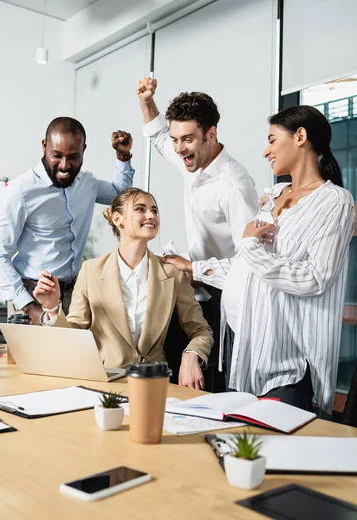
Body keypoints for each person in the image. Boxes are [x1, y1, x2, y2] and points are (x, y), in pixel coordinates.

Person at [165, 105, 355, 413]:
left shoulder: (334, 201)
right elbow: (248, 269)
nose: (266, 152)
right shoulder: (274, 193)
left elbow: (314, 278)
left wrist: (249, 245)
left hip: (287, 365)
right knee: (239, 453)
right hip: (243, 355)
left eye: (271, 140)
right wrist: (193, 268)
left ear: (300, 137)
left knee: (278, 457)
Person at [137, 77, 258, 390]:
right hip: (199, 295)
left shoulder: (234, 186)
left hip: (229, 303)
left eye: (187, 139)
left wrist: (191, 266)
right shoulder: (192, 161)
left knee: (216, 389)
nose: (179, 148)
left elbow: (252, 265)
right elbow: (159, 137)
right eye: (177, 139)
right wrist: (147, 101)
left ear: (211, 134)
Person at [33, 187, 213, 389]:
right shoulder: (91, 271)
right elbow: (74, 336)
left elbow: (201, 330)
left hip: (155, 384)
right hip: (104, 384)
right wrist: (51, 307)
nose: (151, 215)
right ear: (118, 219)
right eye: (140, 209)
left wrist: (191, 355)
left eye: (154, 210)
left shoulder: (172, 273)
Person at [0, 117, 135, 325]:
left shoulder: (87, 183)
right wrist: (28, 306)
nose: (64, 166)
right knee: (34, 357)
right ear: (44, 146)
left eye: (73, 157)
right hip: (33, 292)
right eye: (57, 156)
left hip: (75, 292)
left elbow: (120, 196)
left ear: (84, 150)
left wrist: (122, 156)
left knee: (73, 357)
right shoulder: (20, 191)